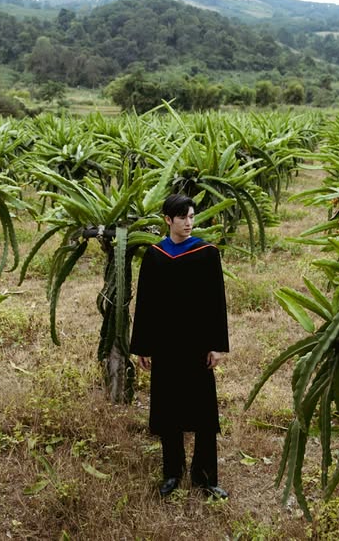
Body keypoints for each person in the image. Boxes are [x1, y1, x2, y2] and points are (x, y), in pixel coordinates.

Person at [130, 193, 230, 500]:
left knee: (203, 411)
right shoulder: (155, 255)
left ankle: (205, 477)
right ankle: (172, 472)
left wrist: (216, 345)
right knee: (169, 408)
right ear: (168, 220)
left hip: (197, 344)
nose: (189, 223)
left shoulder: (207, 253)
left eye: (192, 217)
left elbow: (216, 302)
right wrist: (143, 346)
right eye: (183, 217)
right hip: (166, 344)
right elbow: (145, 303)